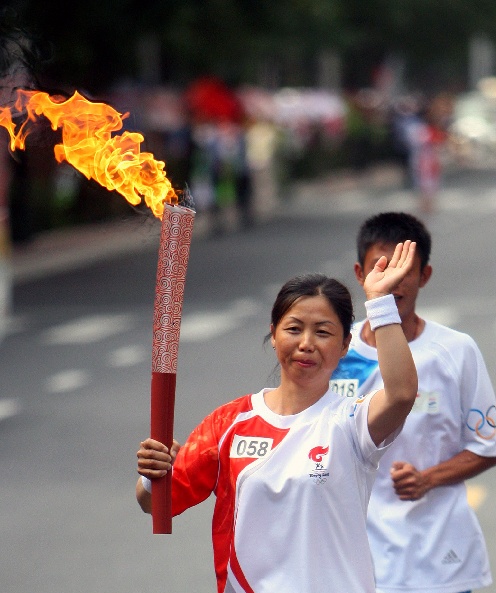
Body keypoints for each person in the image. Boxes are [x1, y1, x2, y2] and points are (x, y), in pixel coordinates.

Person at [136, 241, 419, 593]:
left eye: (323, 332)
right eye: (294, 328)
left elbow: (403, 393)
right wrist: (154, 474)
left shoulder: (351, 421)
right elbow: (157, 504)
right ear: (273, 333)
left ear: (345, 345)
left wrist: (379, 302)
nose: (306, 343)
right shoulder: (228, 425)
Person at [330, 211, 496, 593]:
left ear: (425, 276)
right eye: (382, 266)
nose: (393, 280)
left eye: (406, 269)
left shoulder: (455, 351)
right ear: (360, 274)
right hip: (356, 558)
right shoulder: (337, 354)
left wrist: (428, 479)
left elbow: (488, 446)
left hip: (438, 559)